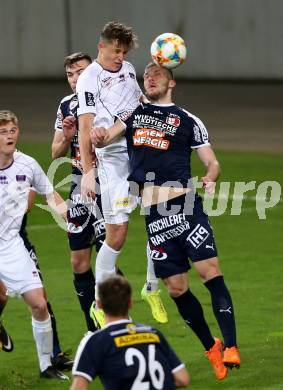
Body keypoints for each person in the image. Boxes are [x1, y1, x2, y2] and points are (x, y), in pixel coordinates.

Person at [91, 63, 241, 381]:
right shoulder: (133, 116)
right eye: (146, 75)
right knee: (176, 289)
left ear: (171, 82)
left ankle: (231, 346)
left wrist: (211, 176)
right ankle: (211, 347)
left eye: (157, 74)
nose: (150, 78)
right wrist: (100, 134)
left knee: (209, 271)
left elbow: (211, 160)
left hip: (186, 205)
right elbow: (104, 140)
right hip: (155, 216)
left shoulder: (188, 120)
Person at [76, 21, 167, 327]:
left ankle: (151, 289)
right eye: (116, 51)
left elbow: (138, 105)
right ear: (101, 46)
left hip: (138, 150)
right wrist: (88, 172)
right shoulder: (89, 79)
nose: (120, 57)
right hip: (113, 159)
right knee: (117, 235)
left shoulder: (127, 70)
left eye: (124, 52)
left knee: (160, 220)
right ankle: (99, 304)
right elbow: (86, 129)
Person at [0, 110, 68, 380]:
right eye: (3, 132)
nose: (9, 136)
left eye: (13, 131)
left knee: (40, 304)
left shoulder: (27, 164)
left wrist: (68, 218)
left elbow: (50, 193)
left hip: (12, 244)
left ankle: (46, 367)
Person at [71, 276, 190, 390]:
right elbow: (182, 379)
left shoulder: (95, 341)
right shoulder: (153, 334)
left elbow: (79, 387)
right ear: (130, 304)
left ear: (100, 305)